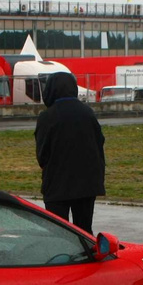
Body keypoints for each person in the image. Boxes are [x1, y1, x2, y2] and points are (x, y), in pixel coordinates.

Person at [34, 71, 104, 233]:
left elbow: (42, 155)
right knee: (84, 230)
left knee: (59, 231)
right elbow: (99, 143)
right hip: (87, 183)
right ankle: (87, 257)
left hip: (57, 184)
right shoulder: (87, 113)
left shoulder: (47, 117)